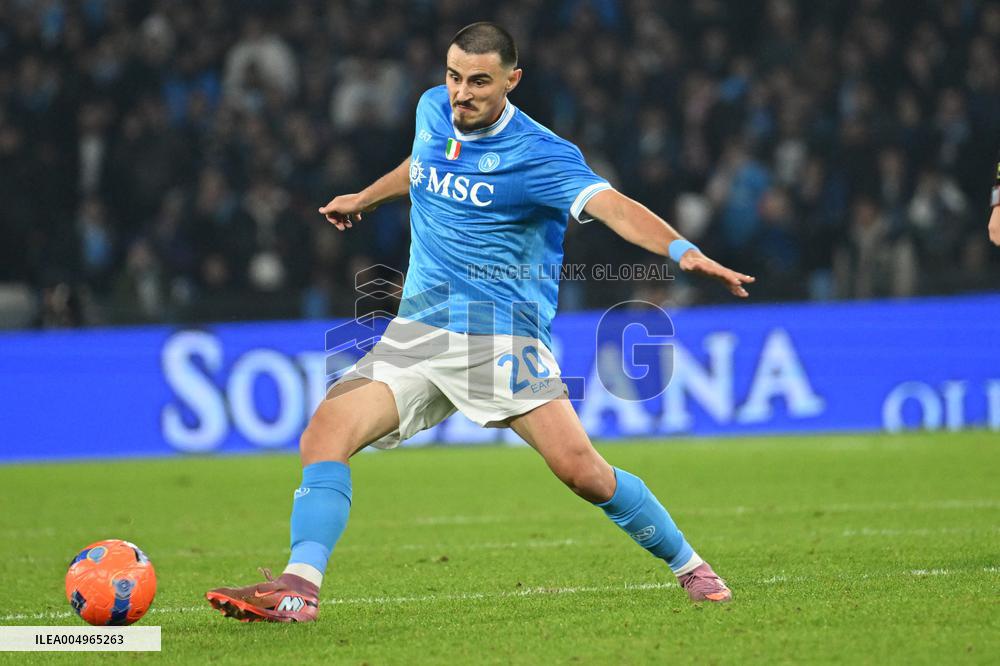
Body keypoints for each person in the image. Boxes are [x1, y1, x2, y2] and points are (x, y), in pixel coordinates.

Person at [205, 22, 755, 623]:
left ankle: (691, 567)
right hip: (417, 331)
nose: (460, 93)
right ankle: (298, 589)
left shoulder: (542, 155)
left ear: (512, 81)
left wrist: (684, 252)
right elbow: (422, 165)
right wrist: (363, 197)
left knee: (583, 473)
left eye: (479, 82)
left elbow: (615, 208)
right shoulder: (432, 110)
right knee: (324, 434)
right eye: (453, 76)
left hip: (500, 338)